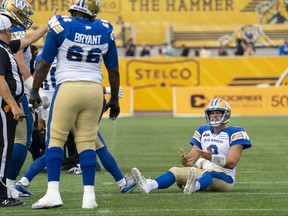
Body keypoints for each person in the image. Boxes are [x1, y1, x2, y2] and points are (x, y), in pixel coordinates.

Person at [29, 0, 120, 209]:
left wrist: (34, 90)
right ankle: (89, 197)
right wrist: (114, 99)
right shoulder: (105, 28)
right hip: (94, 90)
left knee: (56, 140)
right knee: (87, 142)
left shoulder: (61, 24)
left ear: (73, 8)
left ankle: (53, 193)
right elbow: (113, 70)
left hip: (68, 87)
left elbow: (44, 62)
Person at [131, 98, 252, 194]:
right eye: (212, 113)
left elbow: (232, 163)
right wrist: (185, 160)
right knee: (175, 171)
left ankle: (194, 186)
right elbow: (190, 162)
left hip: (225, 178)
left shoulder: (236, 132)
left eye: (218, 113)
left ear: (226, 115)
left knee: (210, 173)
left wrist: (212, 158)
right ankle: (149, 185)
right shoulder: (202, 130)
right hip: (205, 172)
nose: (214, 116)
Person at [0, 14, 49, 207]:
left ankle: (4, 189)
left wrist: (48, 24)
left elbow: (29, 39)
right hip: (4, 106)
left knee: (6, 147)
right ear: (5, 31)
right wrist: (12, 104)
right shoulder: (1, 50)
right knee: (5, 149)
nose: (12, 32)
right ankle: (3, 193)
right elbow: (0, 80)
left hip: (9, 104)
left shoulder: (5, 47)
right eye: (10, 30)